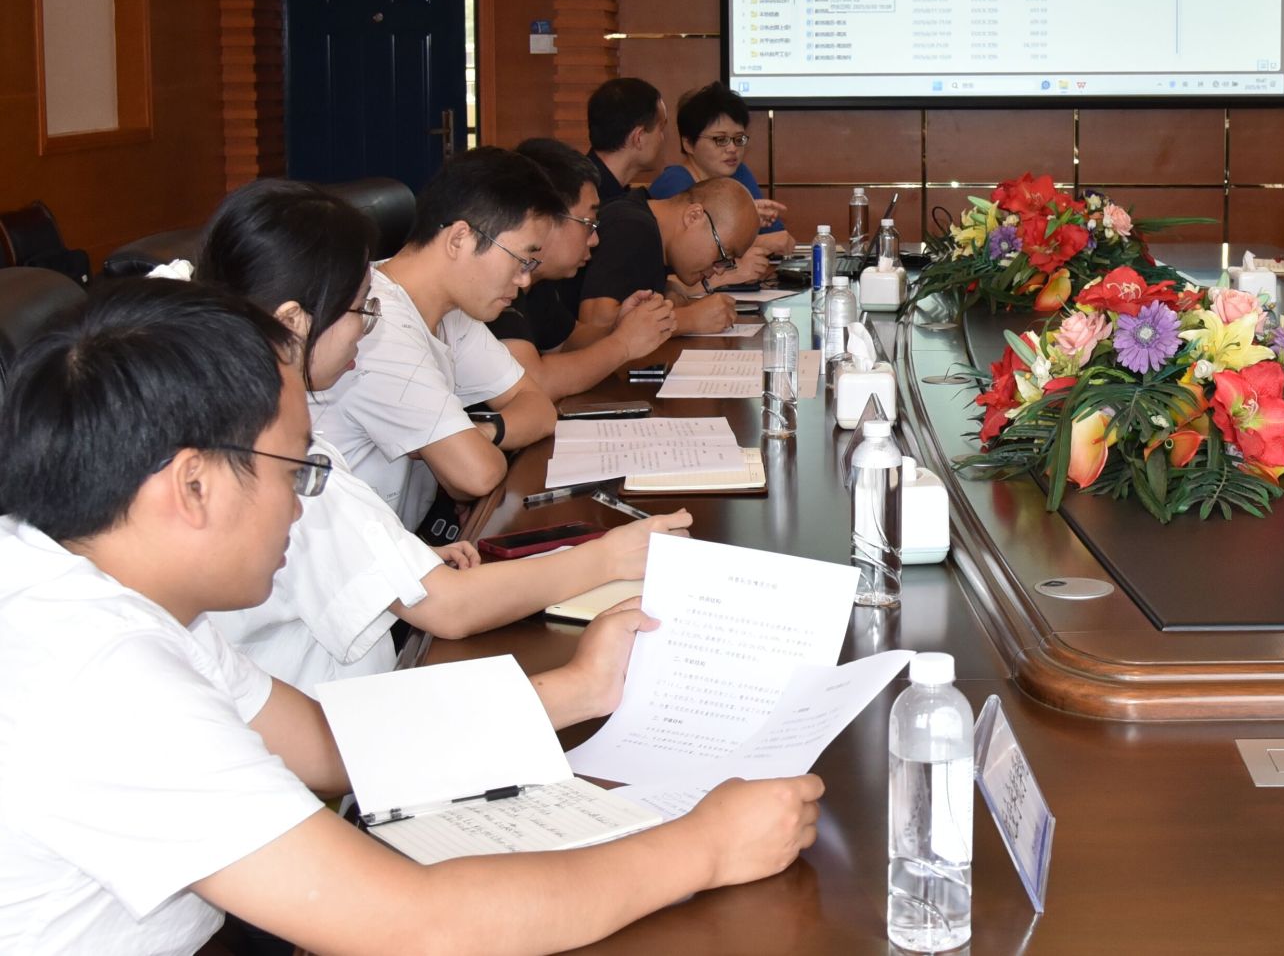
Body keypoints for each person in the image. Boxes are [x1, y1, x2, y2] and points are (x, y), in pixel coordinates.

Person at [0, 280, 822, 955]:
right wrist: (706, 846)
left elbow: (328, 745)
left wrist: (579, 686)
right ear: (192, 485)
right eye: (295, 466)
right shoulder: (96, 672)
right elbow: (413, 923)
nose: (304, 499)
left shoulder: (94, 585)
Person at [193, 178, 691, 690]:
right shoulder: (284, 466)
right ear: (293, 323)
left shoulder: (259, 430)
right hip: (344, 703)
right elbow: (449, 607)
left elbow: (532, 408)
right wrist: (608, 557)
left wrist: (400, 556)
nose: (367, 328)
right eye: (361, 310)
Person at [310, 147, 560, 532]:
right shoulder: (376, 323)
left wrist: (481, 432)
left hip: (398, 547)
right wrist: (466, 448)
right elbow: (475, 475)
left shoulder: (451, 311)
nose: (525, 279)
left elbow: (539, 407)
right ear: (460, 238)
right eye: (521, 259)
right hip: (344, 557)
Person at [497, 138, 677, 401]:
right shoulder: (498, 283)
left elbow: (567, 341)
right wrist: (623, 344)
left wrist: (619, 326)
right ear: (542, 217)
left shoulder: (538, 281)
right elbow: (534, 383)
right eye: (588, 224)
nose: (595, 240)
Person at [578, 177, 768, 339]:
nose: (719, 270)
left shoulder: (649, 223)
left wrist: (667, 287)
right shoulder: (632, 227)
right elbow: (596, 323)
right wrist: (689, 319)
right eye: (722, 254)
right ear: (694, 216)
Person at [650, 82, 796, 262]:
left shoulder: (739, 174)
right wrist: (761, 242)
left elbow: (778, 238)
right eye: (721, 139)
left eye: (738, 139)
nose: (732, 149)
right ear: (688, 144)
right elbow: (691, 252)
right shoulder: (673, 183)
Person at [586, 76, 670, 204]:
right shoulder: (582, 198)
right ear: (639, 138)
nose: (663, 139)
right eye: (661, 129)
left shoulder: (613, 192)